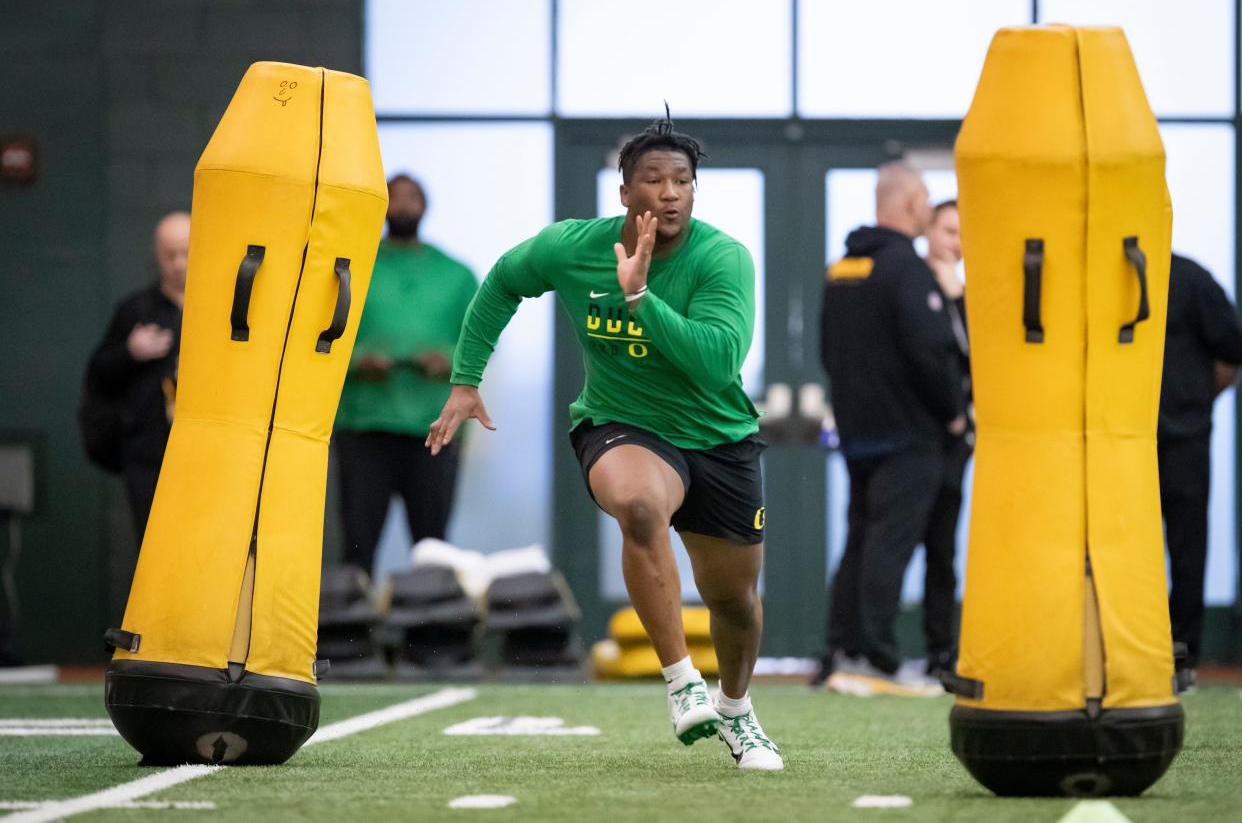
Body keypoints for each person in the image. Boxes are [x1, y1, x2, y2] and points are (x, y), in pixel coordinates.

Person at [425, 117, 783, 770]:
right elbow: (504, 279)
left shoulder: (722, 258)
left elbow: (716, 362)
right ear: (624, 194)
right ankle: (682, 683)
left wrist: (641, 298)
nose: (670, 193)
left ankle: (737, 709)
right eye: (654, 179)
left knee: (735, 602)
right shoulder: (572, 248)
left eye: (683, 181)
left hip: (718, 436)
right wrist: (465, 379)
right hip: (621, 422)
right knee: (640, 507)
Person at [813, 162, 965, 696]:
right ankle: (875, 655)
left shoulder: (843, 268)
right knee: (889, 543)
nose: (928, 209)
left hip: (859, 435)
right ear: (907, 205)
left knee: (860, 539)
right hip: (910, 434)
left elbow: (827, 350)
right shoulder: (907, 269)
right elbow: (930, 352)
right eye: (925, 200)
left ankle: (838, 651)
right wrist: (953, 409)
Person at [333, 175, 478, 576]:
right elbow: (318, 340)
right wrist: (359, 359)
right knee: (357, 546)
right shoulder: (350, 270)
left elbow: (481, 342)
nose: (402, 205)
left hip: (434, 427)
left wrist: (449, 358)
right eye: (393, 196)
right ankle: (354, 636)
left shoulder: (457, 275)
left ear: (425, 206)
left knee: (432, 551)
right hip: (365, 425)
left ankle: (431, 637)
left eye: (411, 197)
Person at [1158, 252, 1242, 683]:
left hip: (1182, 438)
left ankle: (1181, 657)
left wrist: (1194, 404)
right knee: (1120, 549)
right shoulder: (1099, 274)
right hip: (1120, 438)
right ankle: (1144, 654)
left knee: (1187, 549)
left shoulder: (1190, 279)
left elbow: (1231, 350)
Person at [87, 212, 188, 539]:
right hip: (148, 452)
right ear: (157, 255)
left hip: (202, 451)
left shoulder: (219, 308)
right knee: (152, 544)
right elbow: (100, 371)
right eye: (169, 254)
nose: (178, 264)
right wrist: (130, 353)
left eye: (185, 252)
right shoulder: (137, 310)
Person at [920, 199, 971, 680]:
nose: (956, 242)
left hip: (956, 442)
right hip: (913, 437)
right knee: (884, 541)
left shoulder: (970, 297)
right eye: (948, 230)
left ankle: (942, 650)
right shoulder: (911, 285)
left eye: (963, 233)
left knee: (943, 547)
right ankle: (865, 653)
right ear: (929, 231)